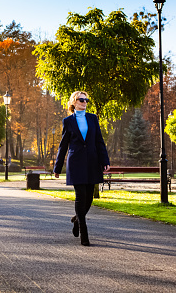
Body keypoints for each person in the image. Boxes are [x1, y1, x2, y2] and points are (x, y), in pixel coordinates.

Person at [53, 91, 110, 246]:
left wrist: (105, 160)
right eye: (81, 100)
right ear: (74, 102)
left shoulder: (93, 118)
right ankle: (84, 233)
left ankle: (77, 219)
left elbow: (99, 141)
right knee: (80, 196)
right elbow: (63, 145)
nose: (85, 102)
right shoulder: (68, 121)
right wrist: (57, 167)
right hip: (76, 162)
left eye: (86, 100)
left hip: (92, 161)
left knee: (89, 198)